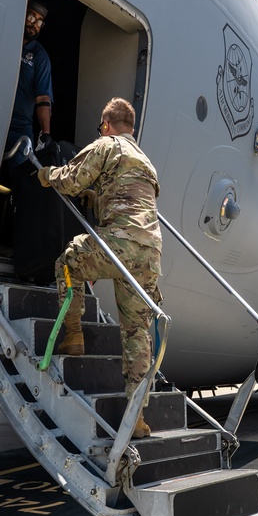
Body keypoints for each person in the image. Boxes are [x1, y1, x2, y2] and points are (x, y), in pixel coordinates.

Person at [36, 97, 162, 439]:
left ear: (106, 124)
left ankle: (74, 336)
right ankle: (136, 418)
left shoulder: (107, 145)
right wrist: (99, 196)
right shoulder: (145, 160)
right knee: (137, 332)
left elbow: (72, 179)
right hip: (149, 254)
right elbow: (131, 199)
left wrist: (47, 175)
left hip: (118, 245)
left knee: (68, 262)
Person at [0, 0, 55, 256]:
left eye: (39, 21)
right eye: (30, 17)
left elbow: (43, 98)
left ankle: (26, 246)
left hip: (20, 127)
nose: (33, 24)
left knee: (27, 184)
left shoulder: (39, 56)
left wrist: (45, 133)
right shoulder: (1, 39)